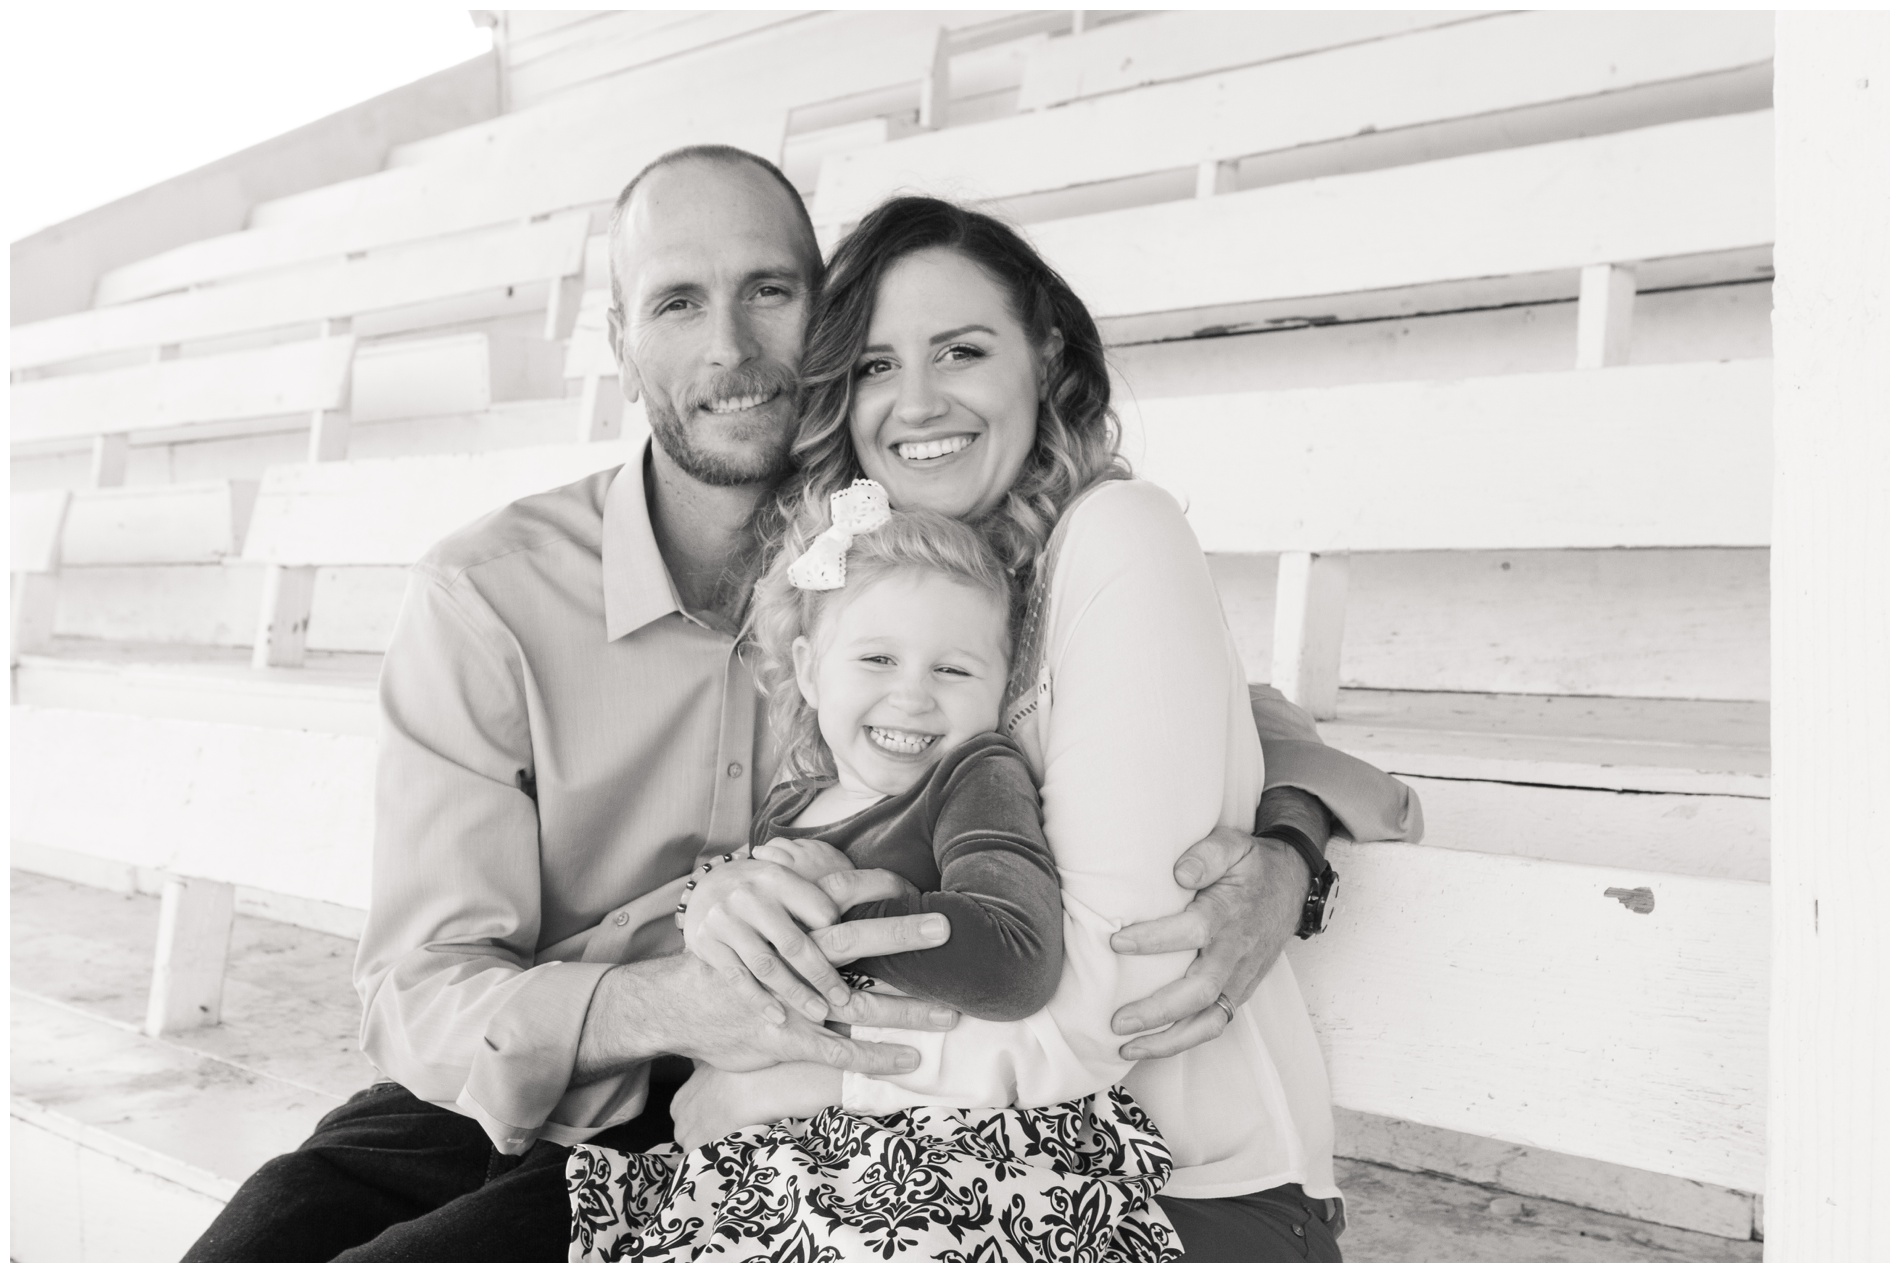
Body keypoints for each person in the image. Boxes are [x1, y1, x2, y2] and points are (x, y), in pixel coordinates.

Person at [183, 148, 1420, 1263]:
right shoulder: (494, 594)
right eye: (678, 300)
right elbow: (418, 985)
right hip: (560, 1069)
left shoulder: (939, 574)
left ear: (816, 319)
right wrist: (675, 1006)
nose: (730, 346)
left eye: (769, 290)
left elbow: (1194, 705)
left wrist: (1285, 839)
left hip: (818, 1107)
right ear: (621, 338)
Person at [578, 193, 1426, 1263]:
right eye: (877, 366)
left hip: (1163, 1193)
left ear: (1048, 361)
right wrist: (732, 896)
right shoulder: (896, 598)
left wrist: (801, 1076)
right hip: (907, 1173)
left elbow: (1110, 999)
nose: (917, 401)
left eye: (962, 351)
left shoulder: (1116, 533)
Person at [571, 490, 1180, 1261]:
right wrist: (732, 897)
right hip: (782, 1163)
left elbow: (1017, 962)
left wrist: (850, 912)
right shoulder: (791, 802)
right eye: (877, 658)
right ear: (811, 671)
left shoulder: (971, 775)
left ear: (1001, 691)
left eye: (954, 668)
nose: (913, 693)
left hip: (948, 1156)